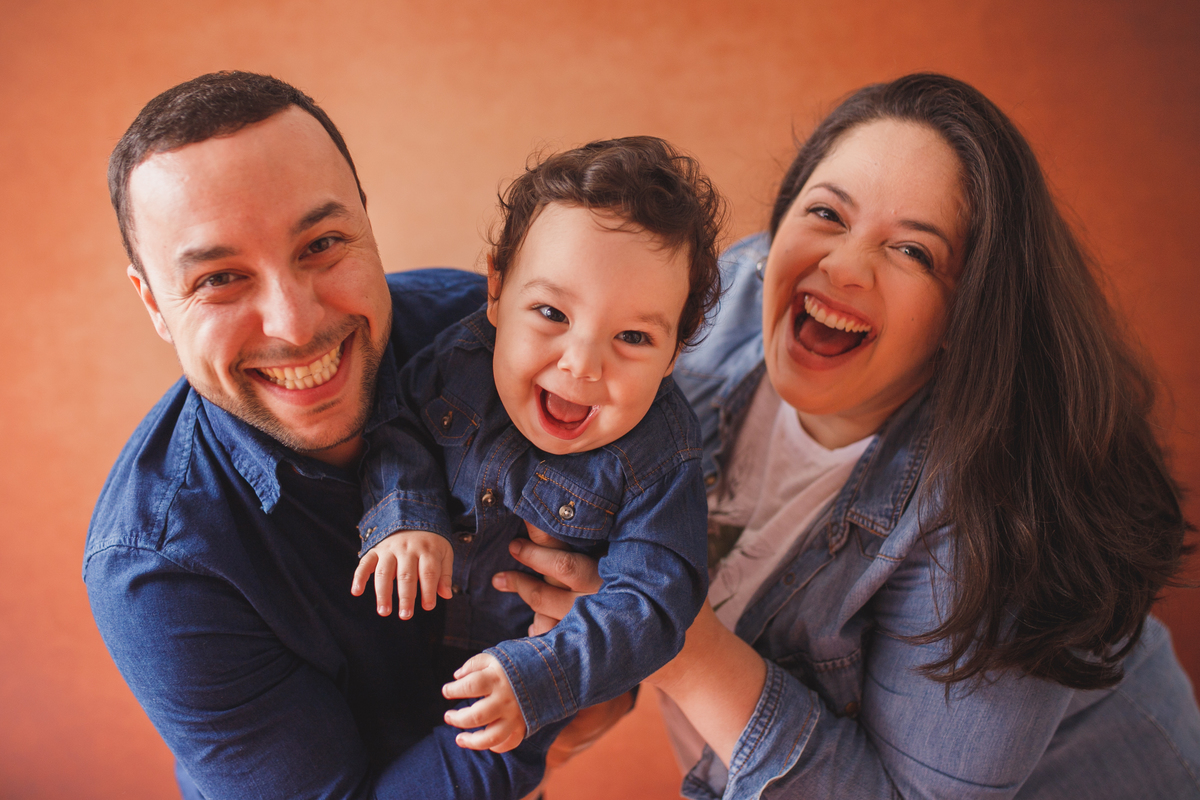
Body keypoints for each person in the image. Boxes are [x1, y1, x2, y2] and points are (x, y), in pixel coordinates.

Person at [495, 73, 1200, 798]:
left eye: (914, 252)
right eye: (827, 213)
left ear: (970, 316)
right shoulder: (722, 304)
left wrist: (666, 638)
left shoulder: (1005, 522)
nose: (843, 266)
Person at [82, 70, 607, 800]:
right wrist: (563, 670)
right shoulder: (159, 569)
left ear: (366, 219)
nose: (295, 326)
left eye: (322, 243)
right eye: (220, 280)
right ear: (154, 303)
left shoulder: (485, 339)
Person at [349, 138, 720, 753]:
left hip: (535, 684)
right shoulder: (461, 357)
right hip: (404, 647)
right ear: (495, 290)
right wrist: (405, 515)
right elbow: (397, 426)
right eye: (551, 311)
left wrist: (547, 674)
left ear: (676, 351)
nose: (582, 363)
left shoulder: (662, 454)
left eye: (632, 336)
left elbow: (656, 600)